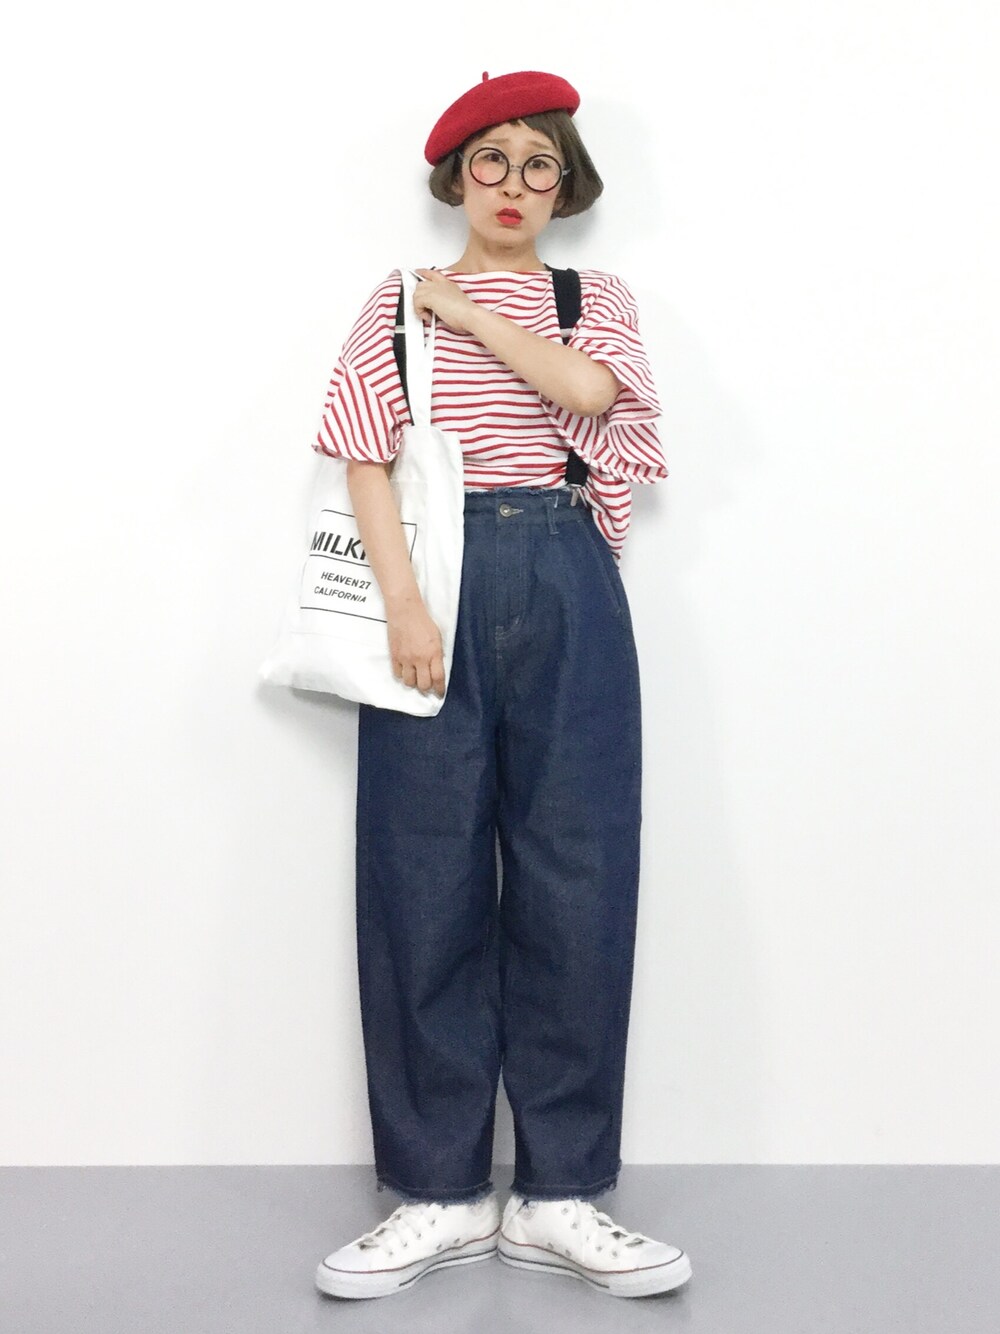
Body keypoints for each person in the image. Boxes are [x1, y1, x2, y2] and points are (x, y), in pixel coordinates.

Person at [312, 70, 692, 1301]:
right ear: (456, 177)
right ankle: (437, 1191)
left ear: (565, 185)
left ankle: (560, 1191)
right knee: (419, 873)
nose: (514, 186)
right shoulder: (394, 302)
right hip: (434, 577)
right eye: (492, 161)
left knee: (577, 872)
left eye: (540, 165)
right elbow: (364, 456)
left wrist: (470, 313)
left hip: (567, 571)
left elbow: (588, 394)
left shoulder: (591, 299)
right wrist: (404, 605)